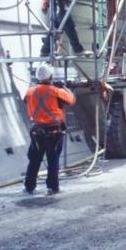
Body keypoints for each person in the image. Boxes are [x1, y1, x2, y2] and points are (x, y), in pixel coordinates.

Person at [23, 63, 75, 195]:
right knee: (53, 160)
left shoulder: (29, 91)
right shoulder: (57, 91)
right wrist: (64, 87)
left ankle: (29, 186)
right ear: (51, 76)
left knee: (34, 159)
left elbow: (27, 101)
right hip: (54, 132)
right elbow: (71, 100)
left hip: (37, 131)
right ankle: (52, 187)